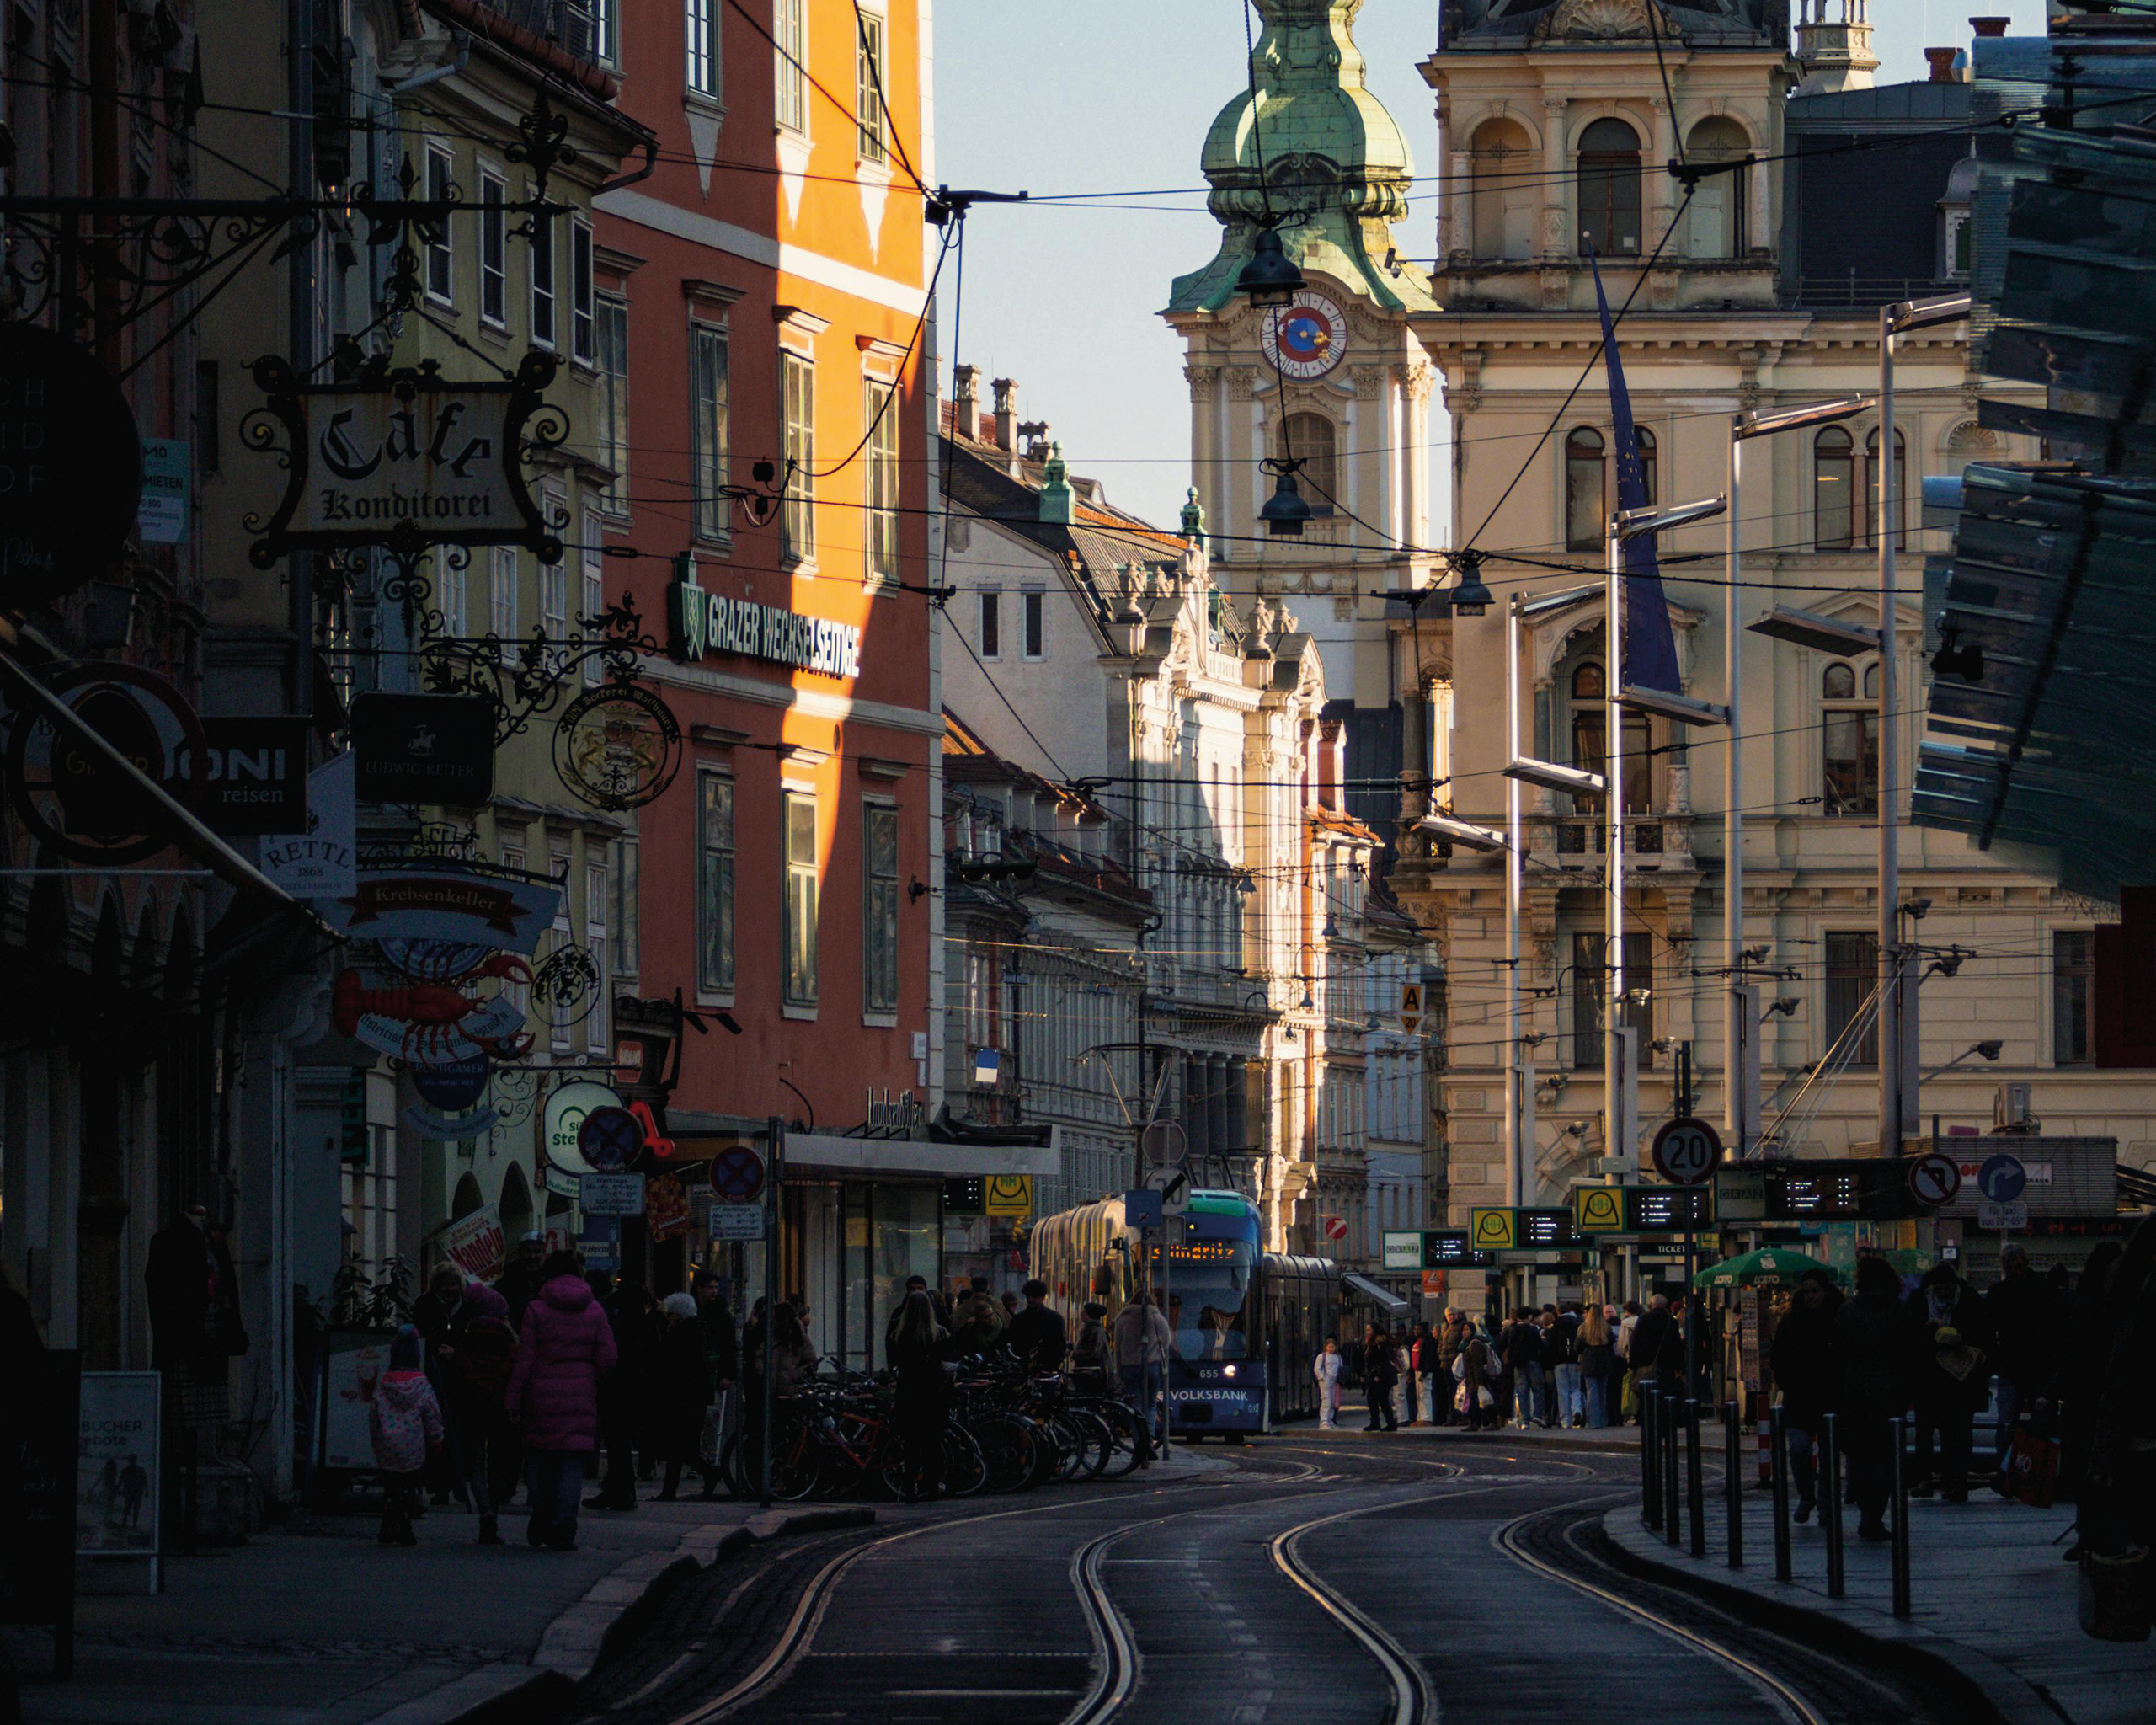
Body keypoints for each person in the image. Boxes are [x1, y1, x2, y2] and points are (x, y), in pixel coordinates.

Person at [505, 1251, 616, 1552]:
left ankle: (540, 1516)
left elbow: (524, 1359)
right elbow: (608, 1357)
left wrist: (514, 1399)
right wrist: (591, 1375)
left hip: (541, 1396)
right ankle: (563, 1527)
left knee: (540, 1460)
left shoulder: (536, 1310)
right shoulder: (594, 1311)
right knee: (570, 1466)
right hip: (581, 1395)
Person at [1836, 1255, 1910, 1541]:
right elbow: (1908, 1354)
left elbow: (1838, 1355)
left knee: (1861, 1456)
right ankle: (1875, 1515)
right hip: (1890, 1396)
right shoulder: (1898, 1311)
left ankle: (1866, 1510)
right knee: (1886, 1458)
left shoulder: (1847, 1312)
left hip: (1856, 1395)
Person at [1907, 1261, 1988, 1503]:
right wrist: (1928, 1332)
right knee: (1925, 1429)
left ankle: (1955, 1481)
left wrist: (1958, 1336)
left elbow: (1981, 1335)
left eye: (1949, 1288)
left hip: (1959, 1379)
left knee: (1957, 1433)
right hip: (1928, 1377)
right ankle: (1926, 1478)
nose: (1944, 1293)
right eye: (1940, 1288)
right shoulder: (1920, 1302)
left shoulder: (1969, 1301)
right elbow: (1909, 1337)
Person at [446, 1282, 520, 1541]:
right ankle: (495, 1513)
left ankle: (485, 1512)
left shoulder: (466, 1340)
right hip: (500, 1407)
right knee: (499, 1463)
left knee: (476, 1463)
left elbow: (459, 1372)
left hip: (472, 1406)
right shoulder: (509, 1342)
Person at [1983, 1244, 2060, 1486]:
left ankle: (2007, 1473)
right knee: (2039, 1422)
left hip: (2014, 1364)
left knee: (2008, 1423)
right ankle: (2036, 1474)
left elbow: (1989, 1329)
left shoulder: (1999, 1292)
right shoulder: (2044, 1290)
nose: (2014, 1271)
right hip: (2036, 1365)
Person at [1770, 1269, 1841, 1520]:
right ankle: (1806, 1496)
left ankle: (1824, 1503)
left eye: (1816, 1291)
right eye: (1807, 1291)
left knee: (1828, 1455)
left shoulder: (1838, 1316)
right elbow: (1778, 1355)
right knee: (1799, 1450)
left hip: (1830, 1395)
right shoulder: (1791, 1320)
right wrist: (1786, 1381)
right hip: (1799, 1396)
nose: (1811, 1297)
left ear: (1824, 1290)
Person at [370, 1326, 445, 1546]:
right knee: (408, 1486)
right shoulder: (422, 1386)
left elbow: (374, 1416)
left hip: (386, 1445)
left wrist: (376, 1441)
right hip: (413, 1447)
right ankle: (404, 1526)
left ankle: (387, 1524)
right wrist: (437, 1440)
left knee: (390, 1487)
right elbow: (432, 1415)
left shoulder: (384, 1385)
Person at [590, 1279, 659, 1511]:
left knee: (616, 1441)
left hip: (618, 1387)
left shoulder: (620, 1321)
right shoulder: (644, 1322)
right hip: (635, 1388)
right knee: (621, 1442)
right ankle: (618, 1489)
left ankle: (619, 1490)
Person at [886, 1290, 958, 1503]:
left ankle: (910, 1487)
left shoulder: (898, 1335)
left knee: (910, 1445)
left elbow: (895, 1363)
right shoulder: (940, 1334)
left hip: (909, 1393)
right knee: (932, 1444)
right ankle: (932, 1486)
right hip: (933, 1394)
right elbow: (947, 1361)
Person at [410, 1265, 467, 1507]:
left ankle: (454, 1484)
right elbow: (419, 1337)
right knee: (434, 1432)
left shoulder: (466, 1306)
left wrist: (457, 1353)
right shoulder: (424, 1304)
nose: (449, 1289)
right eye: (445, 1284)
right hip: (431, 1376)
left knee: (456, 1432)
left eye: (453, 1284)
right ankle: (439, 1485)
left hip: (457, 1378)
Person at [654, 1292, 715, 1501]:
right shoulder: (694, 1332)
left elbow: (670, 1366)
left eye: (670, 1314)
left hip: (682, 1397)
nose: (668, 1318)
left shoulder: (679, 1335)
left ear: (678, 1315)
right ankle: (672, 1488)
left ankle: (673, 1488)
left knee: (679, 1447)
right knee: (682, 1447)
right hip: (691, 1397)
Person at [1113, 1294, 1171, 1450]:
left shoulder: (1123, 1319)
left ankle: (1138, 1441)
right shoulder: (1157, 1318)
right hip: (1152, 1366)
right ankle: (1149, 1439)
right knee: (1151, 1404)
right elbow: (1167, 1341)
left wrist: (1118, 1372)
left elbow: (1117, 1348)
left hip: (1129, 1367)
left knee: (1134, 1406)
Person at [1002, 1279, 1068, 1371]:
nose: (1030, 1300)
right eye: (1028, 1297)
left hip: (1045, 1368)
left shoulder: (1019, 1319)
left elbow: (1059, 1347)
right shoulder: (1055, 1318)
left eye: (1034, 1297)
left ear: (1042, 1297)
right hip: (1026, 1368)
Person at [1501, 1311, 1545, 1430]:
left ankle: (1525, 1419)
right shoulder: (1533, 1330)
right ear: (1529, 1316)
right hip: (1532, 1360)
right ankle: (1538, 1415)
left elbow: (1504, 1344)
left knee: (1522, 1391)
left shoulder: (1512, 1330)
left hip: (1518, 1363)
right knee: (1538, 1389)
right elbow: (1540, 1345)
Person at [1577, 1304, 1618, 1429]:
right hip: (1604, 1362)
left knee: (1591, 1392)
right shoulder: (1606, 1327)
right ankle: (1602, 1419)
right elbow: (1611, 1343)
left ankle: (1593, 1421)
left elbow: (1577, 1347)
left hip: (1589, 1362)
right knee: (1602, 1391)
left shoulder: (1583, 1328)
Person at [495, 1234, 547, 1330]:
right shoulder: (508, 1275)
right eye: (527, 1251)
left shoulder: (551, 1275)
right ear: (520, 1253)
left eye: (537, 1252)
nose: (532, 1256)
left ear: (544, 1253)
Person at [1363, 1323, 1399, 1432]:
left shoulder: (1381, 1342)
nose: (1368, 1332)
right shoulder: (1372, 1342)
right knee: (1375, 1399)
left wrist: (1378, 1375)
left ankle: (1387, 1423)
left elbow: (1384, 1360)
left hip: (1382, 1375)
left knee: (1380, 1399)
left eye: (1369, 1330)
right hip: (1376, 1374)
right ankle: (1378, 1422)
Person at [1071, 1302, 1112, 1386]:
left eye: (1084, 1312)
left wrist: (1075, 1354)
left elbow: (1093, 1352)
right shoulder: (1090, 1329)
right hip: (1089, 1373)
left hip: (1093, 1374)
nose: (1081, 1314)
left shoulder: (1094, 1331)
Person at [1315, 1335, 1344, 1429]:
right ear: (1326, 1347)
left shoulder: (1338, 1357)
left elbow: (1341, 1368)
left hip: (1334, 1381)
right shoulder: (1322, 1356)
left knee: (1332, 1401)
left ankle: (1330, 1419)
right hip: (1325, 1381)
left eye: (1333, 1347)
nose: (1331, 1349)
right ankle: (1324, 1421)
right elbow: (1317, 1368)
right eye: (1329, 1347)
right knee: (1326, 1400)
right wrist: (1322, 1377)